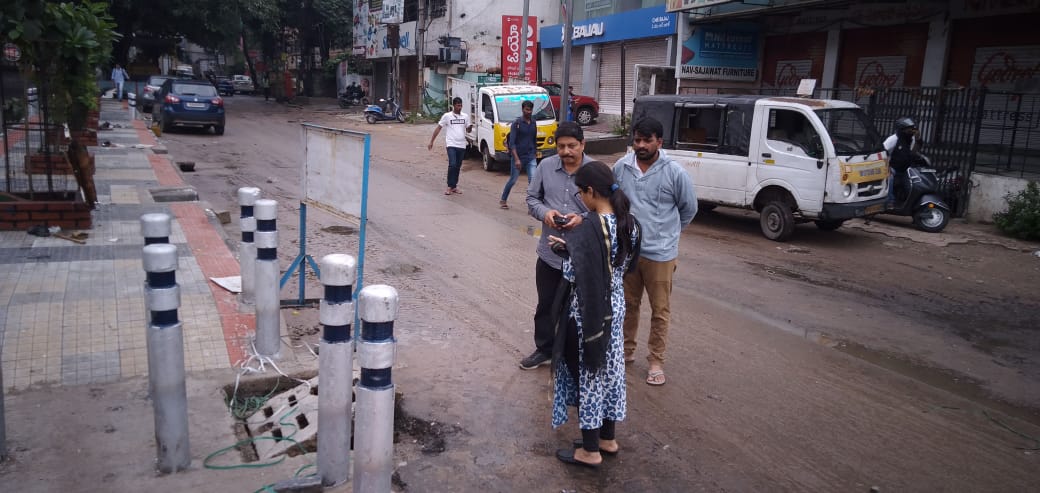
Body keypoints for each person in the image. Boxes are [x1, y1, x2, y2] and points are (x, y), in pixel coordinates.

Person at [548, 160, 641, 468]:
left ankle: (589, 451)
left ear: (590, 191)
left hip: (590, 311)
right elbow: (625, 266)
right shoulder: (630, 222)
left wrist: (567, 254)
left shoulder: (589, 227)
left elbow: (576, 275)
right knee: (612, 372)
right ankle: (607, 439)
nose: (581, 200)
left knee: (591, 374)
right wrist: (572, 249)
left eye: (581, 193)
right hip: (616, 305)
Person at [613, 117, 698, 386]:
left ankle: (656, 361)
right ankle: (624, 353)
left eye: (646, 141)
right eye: (637, 140)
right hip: (628, 253)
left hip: (660, 254)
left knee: (660, 310)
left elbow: (689, 209)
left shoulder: (675, 173)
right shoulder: (621, 167)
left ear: (659, 142)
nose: (640, 145)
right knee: (627, 305)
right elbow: (614, 202)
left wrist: (667, 234)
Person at [521, 121, 595, 370]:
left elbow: (607, 209)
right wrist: (545, 213)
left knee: (578, 309)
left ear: (583, 144)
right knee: (546, 305)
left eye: (572, 146)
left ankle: (573, 355)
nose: (566, 151)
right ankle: (544, 349)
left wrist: (581, 219)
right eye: (561, 146)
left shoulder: (595, 170)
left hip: (583, 256)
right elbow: (532, 198)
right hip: (549, 254)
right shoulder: (546, 166)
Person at [428, 97, 473, 195]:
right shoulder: (447, 116)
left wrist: (470, 127)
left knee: (458, 166)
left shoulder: (465, 116)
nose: (460, 107)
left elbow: (468, 130)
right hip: (451, 144)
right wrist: (432, 141)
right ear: (454, 105)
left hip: (462, 145)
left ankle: (454, 186)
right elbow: (439, 128)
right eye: (458, 105)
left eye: (461, 105)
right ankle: (449, 186)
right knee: (452, 164)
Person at [500, 100, 537, 209]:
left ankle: (532, 206)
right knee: (513, 180)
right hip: (518, 156)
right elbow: (512, 143)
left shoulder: (534, 123)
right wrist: (516, 159)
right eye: (526, 109)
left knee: (533, 181)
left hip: (530, 156)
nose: (528, 112)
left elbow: (534, 139)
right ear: (522, 109)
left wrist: (535, 152)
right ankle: (503, 199)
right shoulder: (516, 124)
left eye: (530, 110)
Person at [884, 117, 919, 207]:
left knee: (914, 182)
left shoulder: (911, 140)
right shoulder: (893, 139)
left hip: (905, 169)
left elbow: (912, 153)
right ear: (902, 129)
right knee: (890, 178)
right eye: (909, 129)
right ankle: (890, 201)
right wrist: (887, 167)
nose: (911, 131)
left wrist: (917, 140)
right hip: (892, 167)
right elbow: (884, 153)